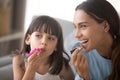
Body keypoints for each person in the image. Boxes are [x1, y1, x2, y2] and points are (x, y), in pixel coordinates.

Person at [12, 15, 75, 80]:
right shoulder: (19, 60)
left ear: (56, 46)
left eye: (50, 38)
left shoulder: (60, 65)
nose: (44, 42)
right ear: (28, 39)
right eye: (38, 36)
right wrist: (31, 68)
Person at [71, 0, 120, 80]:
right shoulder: (83, 56)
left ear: (105, 26)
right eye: (75, 27)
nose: (76, 35)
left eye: (83, 26)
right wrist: (82, 75)